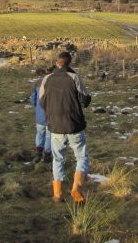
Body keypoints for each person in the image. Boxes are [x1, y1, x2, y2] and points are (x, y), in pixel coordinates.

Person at [39, 51, 91, 203]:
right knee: (81, 157)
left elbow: (42, 102)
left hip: (55, 126)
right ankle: (76, 189)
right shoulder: (74, 77)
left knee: (58, 159)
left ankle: (57, 194)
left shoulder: (47, 79)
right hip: (74, 124)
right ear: (70, 63)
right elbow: (85, 100)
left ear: (57, 63)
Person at [29, 67, 52, 163]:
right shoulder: (53, 85)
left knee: (40, 133)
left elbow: (32, 99)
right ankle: (47, 154)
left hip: (39, 115)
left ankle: (38, 152)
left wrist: (37, 107)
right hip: (50, 115)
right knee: (48, 136)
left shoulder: (38, 83)